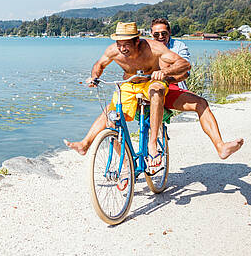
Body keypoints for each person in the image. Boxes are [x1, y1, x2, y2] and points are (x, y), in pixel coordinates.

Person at [64, 21, 190, 170]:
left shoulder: (153, 48)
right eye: (119, 44)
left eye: (126, 45)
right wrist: (94, 77)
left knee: (156, 91)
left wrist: (164, 72)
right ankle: (102, 152)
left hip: (151, 82)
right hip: (130, 85)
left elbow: (185, 64)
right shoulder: (114, 50)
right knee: (111, 117)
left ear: (137, 41)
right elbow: (99, 65)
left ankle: (152, 144)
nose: (122, 49)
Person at [150, 18, 244, 159]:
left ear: (169, 32)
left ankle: (221, 147)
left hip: (172, 87)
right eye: (156, 34)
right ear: (151, 34)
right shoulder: (146, 47)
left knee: (201, 103)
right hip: (148, 89)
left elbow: (185, 72)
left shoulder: (178, 46)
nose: (161, 37)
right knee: (112, 115)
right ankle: (126, 167)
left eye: (164, 33)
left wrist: (166, 76)